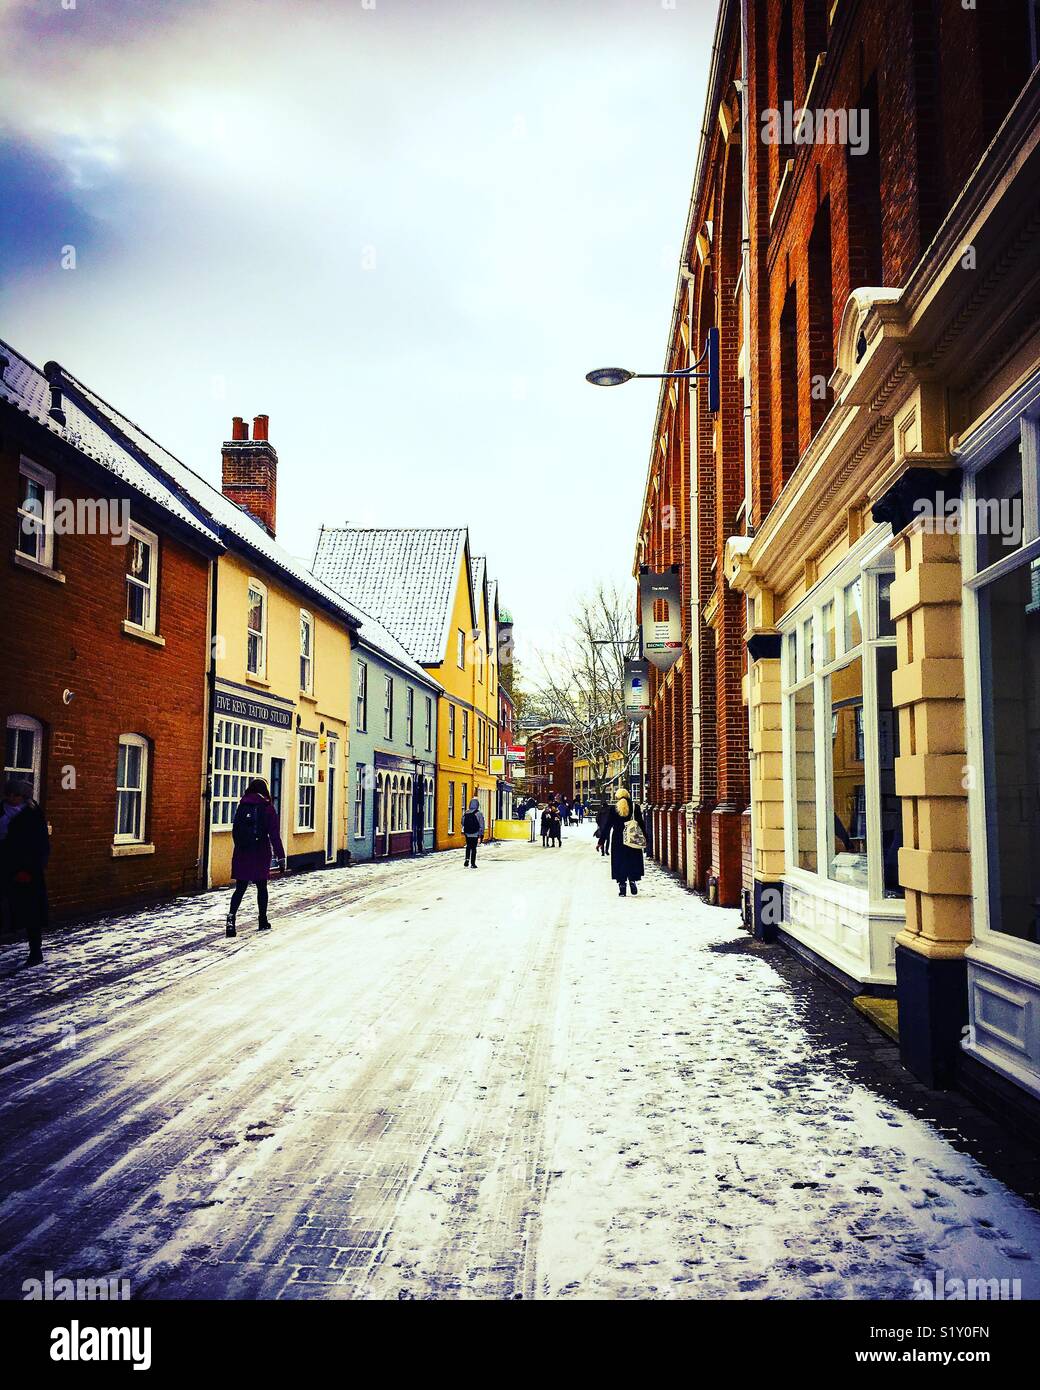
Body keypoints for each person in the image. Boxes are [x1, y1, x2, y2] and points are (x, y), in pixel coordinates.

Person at [0, 778, 50, 967]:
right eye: (9, 794)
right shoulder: (2, 810)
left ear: (23, 796)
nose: (11, 798)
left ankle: (35, 951)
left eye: (16, 795)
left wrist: (30, 869)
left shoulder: (32, 814)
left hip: (26, 869)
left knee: (31, 912)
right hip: (4, 865)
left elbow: (41, 845)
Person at [227, 778, 285, 936]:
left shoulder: (242, 806)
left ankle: (231, 919)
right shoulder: (267, 808)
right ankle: (262, 920)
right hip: (260, 852)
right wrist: (281, 857)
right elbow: (274, 835)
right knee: (261, 887)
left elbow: (235, 830)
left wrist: (241, 846)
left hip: (242, 852)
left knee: (240, 888)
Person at [601, 787, 647, 896]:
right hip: (632, 838)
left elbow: (607, 826)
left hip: (618, 840)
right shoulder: (635, 807)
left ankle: (622, 886)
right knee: (632, 860)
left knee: (619, 861)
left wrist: (601, 840)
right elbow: (641, 823)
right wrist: (646, 837)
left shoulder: (614, 809)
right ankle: (632, 880)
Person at [462, 796, 485, 867]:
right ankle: (472, 863)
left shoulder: (466, 812)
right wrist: (481, 834)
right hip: (475, 833)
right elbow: (481, 824)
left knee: (468, 846)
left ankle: (467, 859)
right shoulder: (479, 813)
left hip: (467, 832)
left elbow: (462, 822)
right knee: (474, 848)